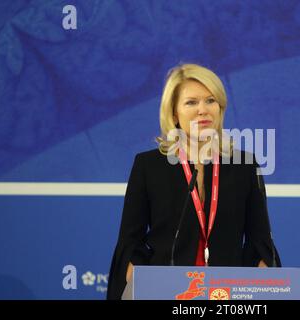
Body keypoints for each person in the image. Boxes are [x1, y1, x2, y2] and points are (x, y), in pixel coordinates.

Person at [106, 63, 281, 300]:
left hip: (226, 296)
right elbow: (130, 241)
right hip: (166, 293)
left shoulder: (245, 166)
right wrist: (139, 285)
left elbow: (260, 241)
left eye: (210, 101)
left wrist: (263, 288)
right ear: (174, 113)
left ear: (220, 108)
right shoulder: (149, 166)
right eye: (191, 102)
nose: (203, 110)